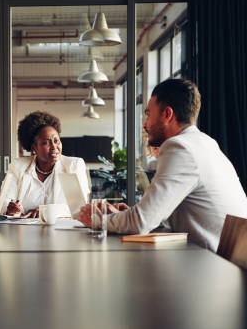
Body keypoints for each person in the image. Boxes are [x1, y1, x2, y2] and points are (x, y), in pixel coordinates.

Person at [78, 78, 247, 251]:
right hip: (223, 262)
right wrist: (124, 215)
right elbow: (154, 217)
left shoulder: (181, 147)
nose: (145, 124)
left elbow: (141, 223)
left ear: (167, 114)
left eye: (148, 114)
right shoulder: (206, 143)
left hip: (211, 267)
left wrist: (98, 220)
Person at [2, 110, 90, 218]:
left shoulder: (73, 166)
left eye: (56, 141)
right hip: (24, 231)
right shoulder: (18, 166)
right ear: (34, 148)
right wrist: (11, 209)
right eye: (46, 143)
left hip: (61, 232)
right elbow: (4, 203)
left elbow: (80, 207)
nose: (54, 146)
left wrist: (47, 210)